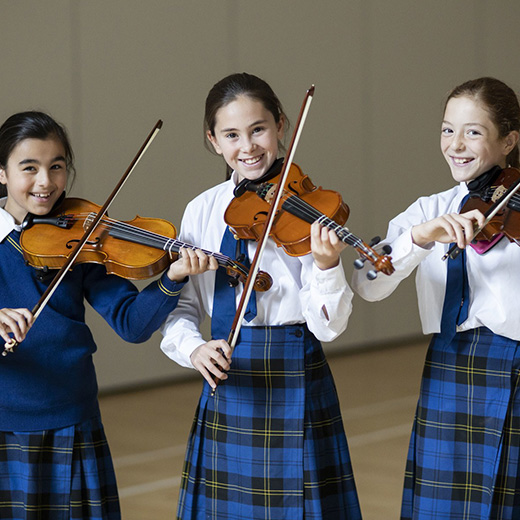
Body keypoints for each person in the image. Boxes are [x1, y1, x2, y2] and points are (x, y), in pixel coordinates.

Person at [160, 73, 362, 519]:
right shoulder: (202, 210)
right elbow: (183, 307)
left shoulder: (307, 207)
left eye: (258, 129)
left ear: (282, 126)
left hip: (295, 368)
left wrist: (328, 267)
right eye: (232, 134)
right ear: (213, 141)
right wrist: (193, 349)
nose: (247, 146)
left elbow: (329, 326)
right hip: (229, 369)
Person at [0, 111, 217, 520]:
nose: (45, 182)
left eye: (56, 167)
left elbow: (132, 324)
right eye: (29, 168)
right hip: (5, 420)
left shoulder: (82, 237)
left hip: (72, 415)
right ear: (1, 172)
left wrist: (171, 278)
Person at [352, 77, 520, 520]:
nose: (456, 145)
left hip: (515, 365)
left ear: (509, 141)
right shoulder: (427, 210)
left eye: (474, 132)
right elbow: (368, 283)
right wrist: (418, 239)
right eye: (448, 130)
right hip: (448, 363)